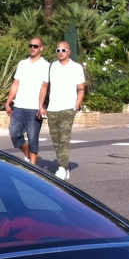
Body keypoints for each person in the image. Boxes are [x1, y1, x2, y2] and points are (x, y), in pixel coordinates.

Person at [42, 42, 86, 181]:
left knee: (64, 139)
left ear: (69, 52)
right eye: (58, 50)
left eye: (63, 50)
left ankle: (61, 167)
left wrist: (76, 105)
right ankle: (64, 166)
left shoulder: (76, 67)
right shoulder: (52, 66)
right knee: (56, 141)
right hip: (52, 109)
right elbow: (45, 86)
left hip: (68, 108)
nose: (60, 52)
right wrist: (41, 105)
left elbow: (81, 88)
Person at [4, 37, 49, 165]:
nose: (32, 48)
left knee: (33, 138)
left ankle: (33, 169)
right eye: (31, 46)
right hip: (19, 106)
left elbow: (44, 87)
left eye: (35, 46)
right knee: (14, 134)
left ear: (41, 48)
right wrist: (8, 103)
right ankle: (29, 155)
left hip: (34, 108)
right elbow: (15, 84)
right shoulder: (22, 64)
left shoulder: (46, 66)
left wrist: (41, 106)